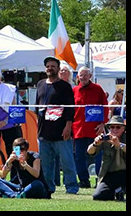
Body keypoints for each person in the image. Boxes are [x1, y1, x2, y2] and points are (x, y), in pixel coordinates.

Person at [36, 56, 78, 195]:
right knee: (46, 165)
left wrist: (68, 126)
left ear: (58, 69)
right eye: (48, 66)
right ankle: (48, 187)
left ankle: (71, 187)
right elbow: (37, 106)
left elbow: (70, 108)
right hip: (44, 132)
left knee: (67, 163)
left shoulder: (65, 86)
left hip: (61, 132)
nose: (50, 68)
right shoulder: (40, 84)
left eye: (53, 66)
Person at [72, 66, 108, 188]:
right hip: (78, 129)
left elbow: (105, 107)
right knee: (79, 157)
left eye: (86, 75)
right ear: (78, 77)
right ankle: (84, 181)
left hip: (95, 130)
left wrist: (103, 123)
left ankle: (100, 180)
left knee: (98, 157)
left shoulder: (98, 89)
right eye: (81, 75)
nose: (83, 77)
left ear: (90, 76)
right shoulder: (74, 90)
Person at [87, 115, 126, 201]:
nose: (114, 129)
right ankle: (118, 191)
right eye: (112, 127)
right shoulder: (105, 139)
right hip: (110, 173)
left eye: (118, 127)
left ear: (123, 129)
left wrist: (119, 145)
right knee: (98, 196)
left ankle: (121, 190)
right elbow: (90, 151)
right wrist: (95, 143)